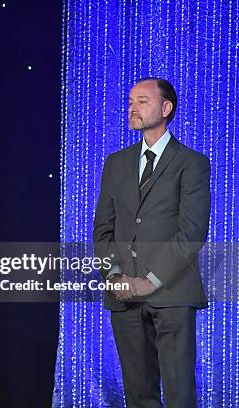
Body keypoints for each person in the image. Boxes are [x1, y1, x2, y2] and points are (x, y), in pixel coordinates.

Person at [93, 77, 210, 408]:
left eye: (142, 101)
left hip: (172, 294)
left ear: (166, 108)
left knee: (178, 394)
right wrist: (115, 276)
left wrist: (150, 282)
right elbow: (103, 228)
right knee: (138, 394)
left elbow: (191, 232)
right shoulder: (116, 163)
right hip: (123, 295)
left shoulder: (192, 163)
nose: (132, 107)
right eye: (130, 101)